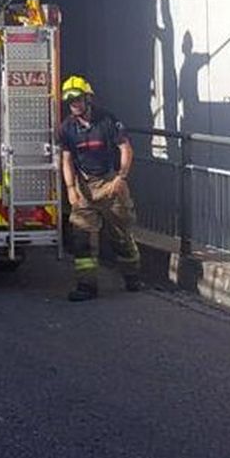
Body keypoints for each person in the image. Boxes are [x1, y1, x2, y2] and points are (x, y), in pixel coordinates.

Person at [58, 75, 141, 302]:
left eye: (77, 99)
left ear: (88, 98)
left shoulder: (107, 120)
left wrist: (121, 178)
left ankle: (132, 276)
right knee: (82, 239)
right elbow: (66, 159)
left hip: (110, 184)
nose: (74, 104)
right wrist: (70, 188)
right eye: (69, 100)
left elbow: (125, 148)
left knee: (121, 237)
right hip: (84, 188)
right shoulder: (67, 128)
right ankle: (87, 287)